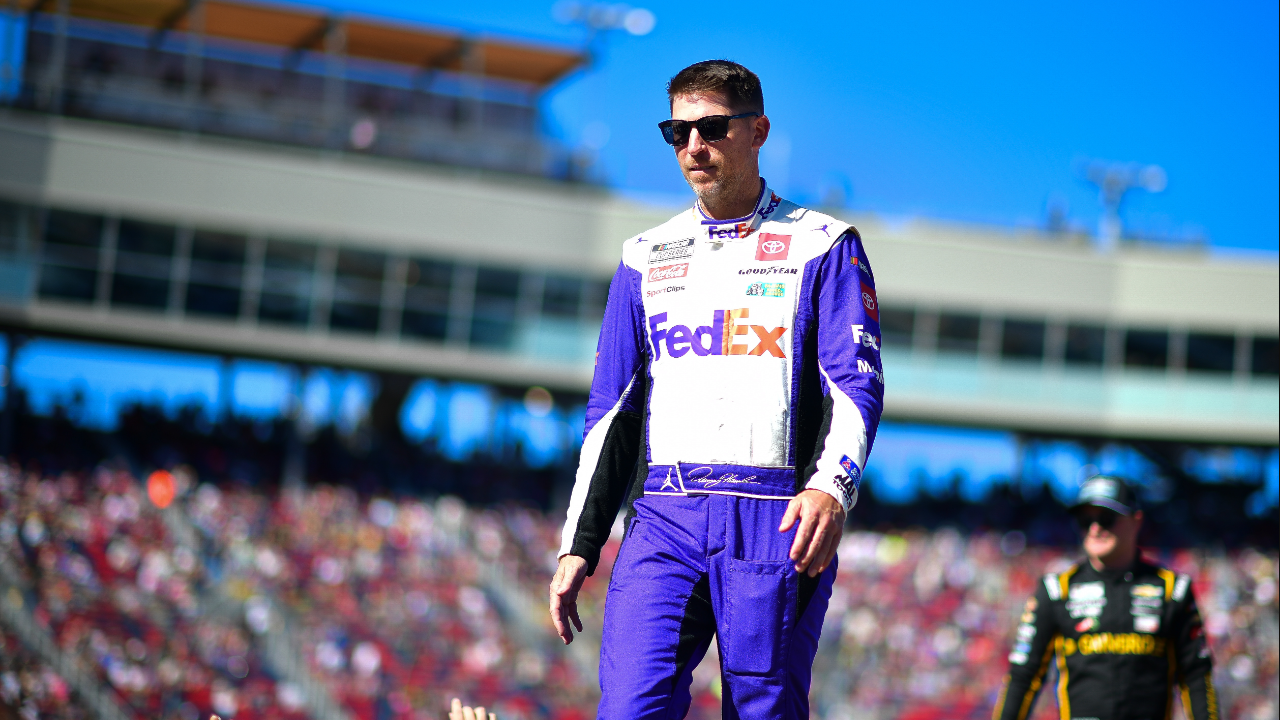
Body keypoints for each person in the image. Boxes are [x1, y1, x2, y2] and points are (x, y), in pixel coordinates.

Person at [547, 60, 884, 718]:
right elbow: (611, 411)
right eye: (677, 131)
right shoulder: (644, 255)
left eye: (711, 127)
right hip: (664, 518)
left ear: (757, 131)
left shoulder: (823, 244)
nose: (694, 145)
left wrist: (830, 487)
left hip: (775, 517)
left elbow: (856, 384)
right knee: (628, 708)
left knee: (762, 710)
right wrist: (578, 544)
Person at [993, 475, 1219, 720]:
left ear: (1136, 521)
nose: (1094, 528)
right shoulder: (1056, 590)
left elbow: (1196, 678)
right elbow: (1023, 677)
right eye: (1084, 520)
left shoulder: (1172, 590)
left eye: (1106, 518)